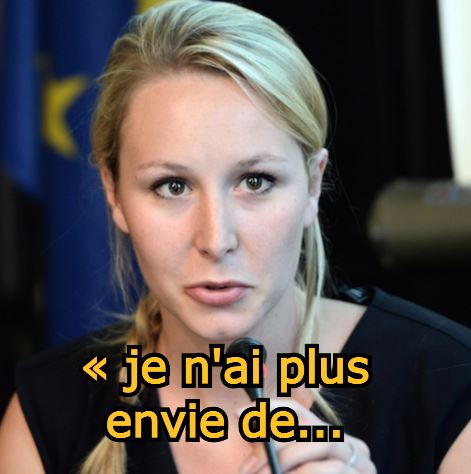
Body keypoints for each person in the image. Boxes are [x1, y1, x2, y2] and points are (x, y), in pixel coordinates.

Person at [1, 1, 470, 473]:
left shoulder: (448, 386)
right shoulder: (47, 413)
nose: (215, 238)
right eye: (172, 186)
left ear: (313, 184)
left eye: (255, 181)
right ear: (114, 193)